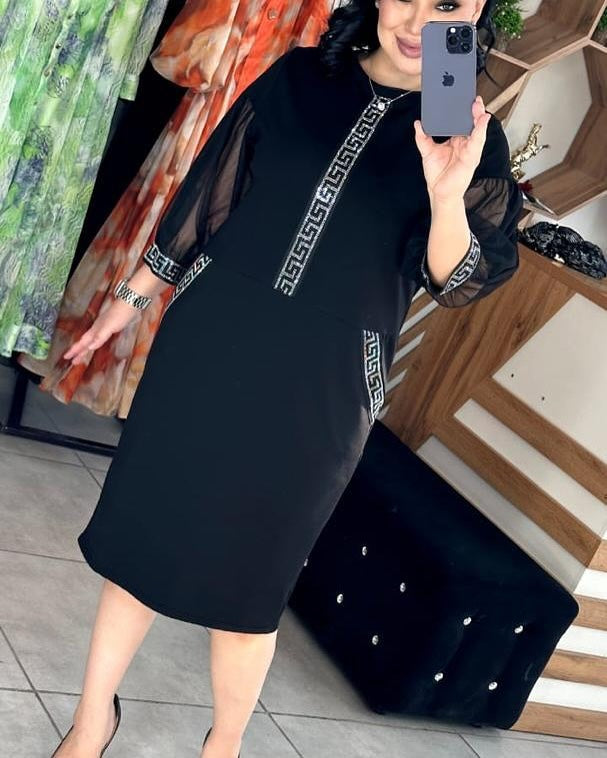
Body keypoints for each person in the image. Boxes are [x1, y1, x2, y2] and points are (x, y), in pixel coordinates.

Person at [51, 0, 522, 756]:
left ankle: (224, 746)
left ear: (475, 13)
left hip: (323, 386)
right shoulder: (301, 77)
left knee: (251, 585)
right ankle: (88, 722)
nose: (416, 22)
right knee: (141, 542)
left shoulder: (469, 135)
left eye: (446, 5)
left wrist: (445, 192)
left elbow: (458, 281)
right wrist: (129, 299)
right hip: (210, 346)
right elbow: (211, 193)